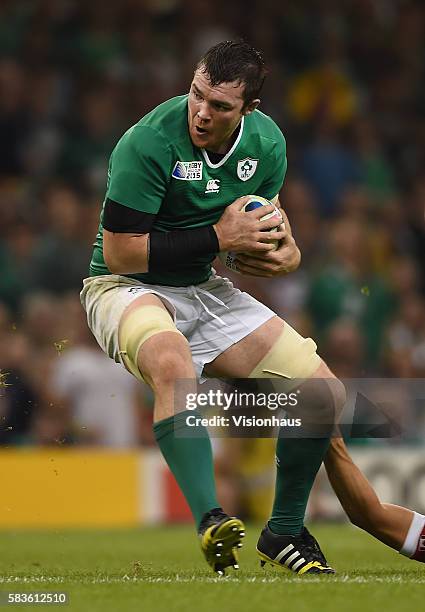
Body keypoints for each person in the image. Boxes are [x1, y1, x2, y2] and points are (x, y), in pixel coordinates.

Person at [80, 40, 425, 576]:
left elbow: (260, 237)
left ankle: (285, 529)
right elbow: (124, 249)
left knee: (321, 394)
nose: (201, 112)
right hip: (123, 286)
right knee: (171, 360)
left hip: (203, 287)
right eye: (197, 95)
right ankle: (211, 519)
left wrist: (284, 253)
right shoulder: (146, 142)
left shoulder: (266, 146)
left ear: (250, 110)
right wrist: (220, 235)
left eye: (219, 106)